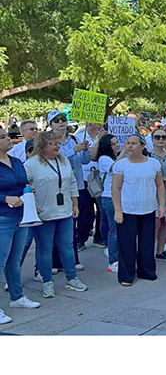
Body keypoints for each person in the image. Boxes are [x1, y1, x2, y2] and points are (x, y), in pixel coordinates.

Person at [24, 131, 88, 298]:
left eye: (58, 143)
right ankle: (47, 282)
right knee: (45, 248)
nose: (57, 146)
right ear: (42, 146)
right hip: (44, 212)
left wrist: (75, 204)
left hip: (65, 210)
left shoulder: (64, 160)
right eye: (53, 143)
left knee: (67, 246)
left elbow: (72, 182)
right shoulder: (32, 164)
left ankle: (72, 278)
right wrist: (33, 205)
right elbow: (24, 186)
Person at [112, 134, 165, 286]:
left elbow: (159, 185)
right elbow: (116, 188)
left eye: (133, 143)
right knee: (127, 244)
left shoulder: (153, 164)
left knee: (147, 242)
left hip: (148, 209)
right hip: (128, 210)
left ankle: (146, 271)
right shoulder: (121, 165)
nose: (130, 146)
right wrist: (118, 210)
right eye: (128, 143)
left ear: (142, 146)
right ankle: (127, 276)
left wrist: (161, 205)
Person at [0, 127, 41, 323]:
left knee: (14, 260)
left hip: (20, 215)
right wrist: (5, 197)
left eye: (6, 136)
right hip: (3, 217)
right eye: (3, 137)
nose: (8, 139)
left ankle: (17, 297)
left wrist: (27, 192)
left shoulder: (16, 161)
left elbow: (22, 182)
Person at [47, 110, 91, 272]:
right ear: (50, 124)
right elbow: (54, 159)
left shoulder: (74, 139)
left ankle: (72, 259)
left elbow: (85, 161)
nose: (61, 123)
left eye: (63, 119)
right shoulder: (48, 141)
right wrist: (75, 150)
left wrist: (84, 149)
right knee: (54, 224)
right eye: (56, 120)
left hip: (75, 186)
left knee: (72, 224)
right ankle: (54, 260)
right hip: (56, 188)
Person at [96, 134, 127, 273]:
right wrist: (125, 151)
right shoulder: (104, 159)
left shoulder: (118, 157)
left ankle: (121, 255)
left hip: (123, 196)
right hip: (109, 197)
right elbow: (115, 168)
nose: (117, 145)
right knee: (114, 229)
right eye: (113, 144)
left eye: (117, 142)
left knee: (122, 229)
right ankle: (113, 261)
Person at [75, 122, 106, 251]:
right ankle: (81, 238)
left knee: (101, 210)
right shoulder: (79, 136)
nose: (90, 124)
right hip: (85, 177)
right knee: (85, 210)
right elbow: (92, 155)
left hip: (101, 177)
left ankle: (99, 237)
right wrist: (99, 141)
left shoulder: (106, 136)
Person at [149, 128, 166, 261]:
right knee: (156, 223)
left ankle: (160, 251)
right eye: (157, 137)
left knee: (165, 222)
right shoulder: (148, 156)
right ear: (152, 140)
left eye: (163, 137)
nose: (161, 140)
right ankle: (149, 251)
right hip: (153, 193)